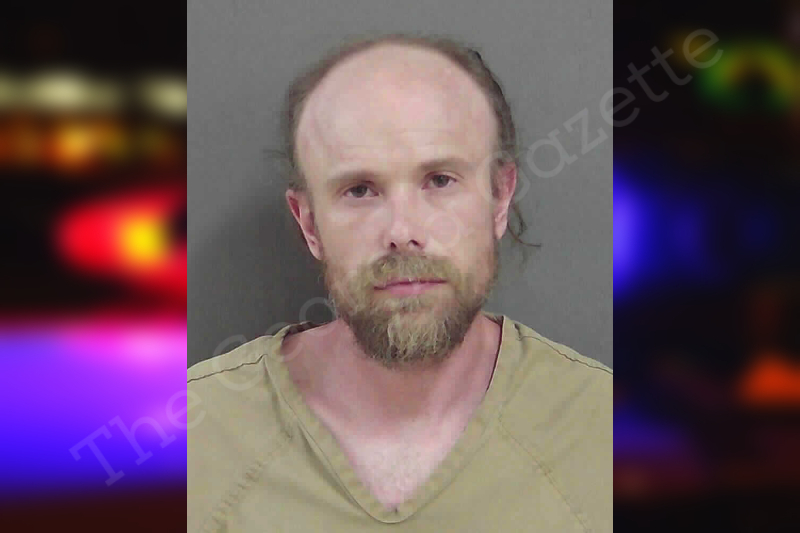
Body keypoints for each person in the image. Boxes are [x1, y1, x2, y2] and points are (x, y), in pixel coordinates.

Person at [187, 33, 612, 532]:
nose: (403, 232)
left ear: (499, 198)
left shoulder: (603, 433)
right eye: (359, 190)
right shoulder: (193, 440)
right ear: (309, 223)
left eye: (440, 180)